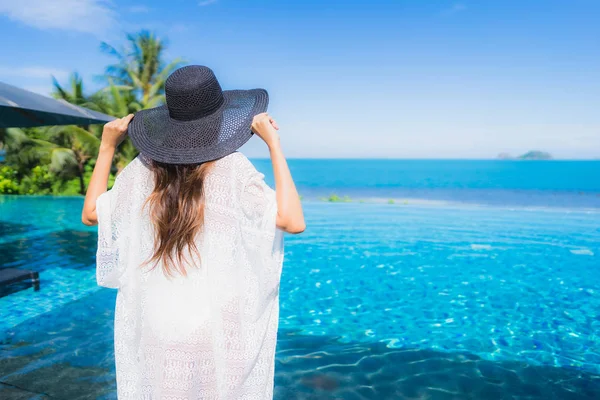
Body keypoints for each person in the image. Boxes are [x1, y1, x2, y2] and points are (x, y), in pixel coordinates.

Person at [81, 65, 305, 399]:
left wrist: (107, 147)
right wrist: (274, 145)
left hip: (157, 323)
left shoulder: (144, 169)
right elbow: (292, 221)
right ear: (221, 120)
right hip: (215, 326)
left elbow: (91, 214)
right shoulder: (231, 169)